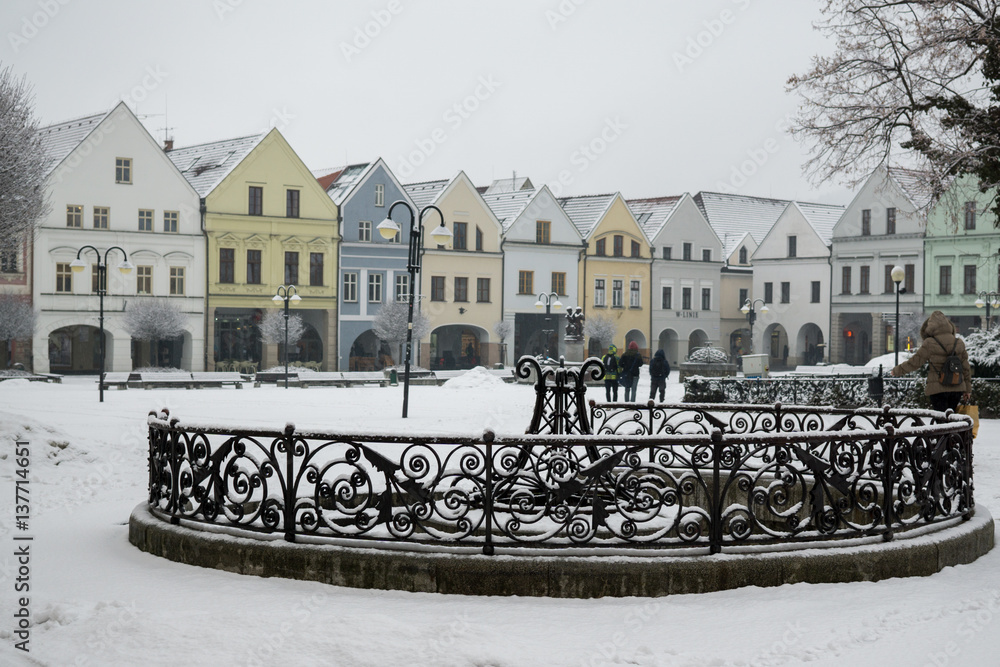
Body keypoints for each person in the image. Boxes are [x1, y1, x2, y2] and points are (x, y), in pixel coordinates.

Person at [890, 310, 971, 412]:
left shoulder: (930, 343)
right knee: (952, 421)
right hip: (957, 387)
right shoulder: (958, 342)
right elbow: (966, 368)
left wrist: (898, 370)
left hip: (937, 388)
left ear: (930, 327)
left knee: (941, 421)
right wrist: (967, 389)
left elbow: (915, 362)